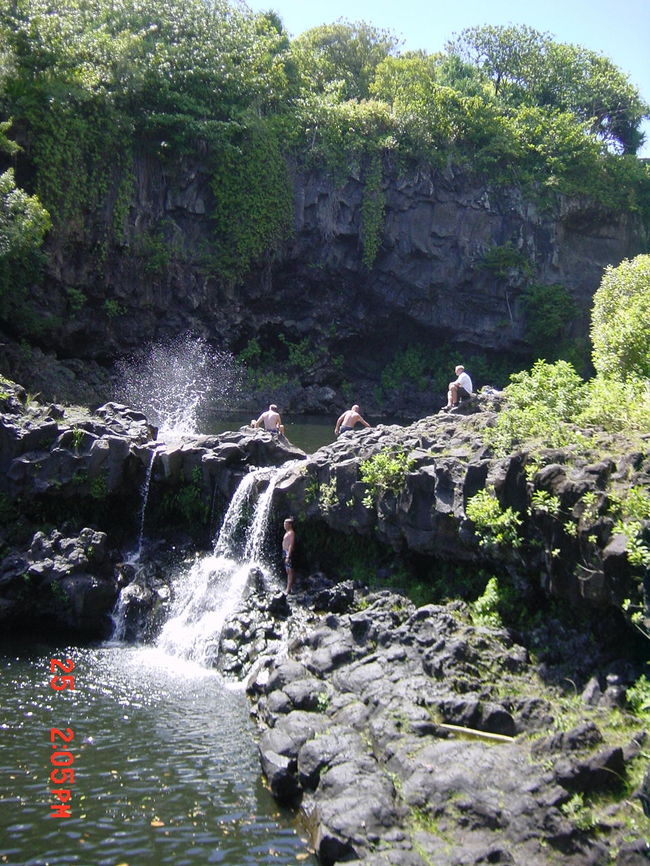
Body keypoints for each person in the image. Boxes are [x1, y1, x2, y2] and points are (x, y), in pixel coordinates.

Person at [282, 517, 296, 594]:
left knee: (290, 571)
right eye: (284, 523)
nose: (284, 525)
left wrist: (288, 556)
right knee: (288, 570)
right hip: (284, 552)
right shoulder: (287, 532)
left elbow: (291, 544)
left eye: (286, 523)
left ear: (290, 525)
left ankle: (288, 589)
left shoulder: (291, 533)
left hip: (288, 552)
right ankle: (289, 588)